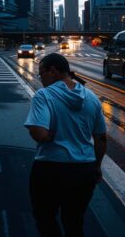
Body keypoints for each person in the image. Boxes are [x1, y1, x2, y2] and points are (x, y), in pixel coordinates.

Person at [25, 53, 107, 237]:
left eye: (42, 73)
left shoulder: (44, 95)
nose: (41, 78)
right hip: (83, 170)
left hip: (50, 169)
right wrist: (97, 167)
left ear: (53, 71)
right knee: (74, 222)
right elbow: (101, 138)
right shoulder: (92, 97)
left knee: (45, 218)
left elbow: (38, 132)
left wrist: (48, 136)